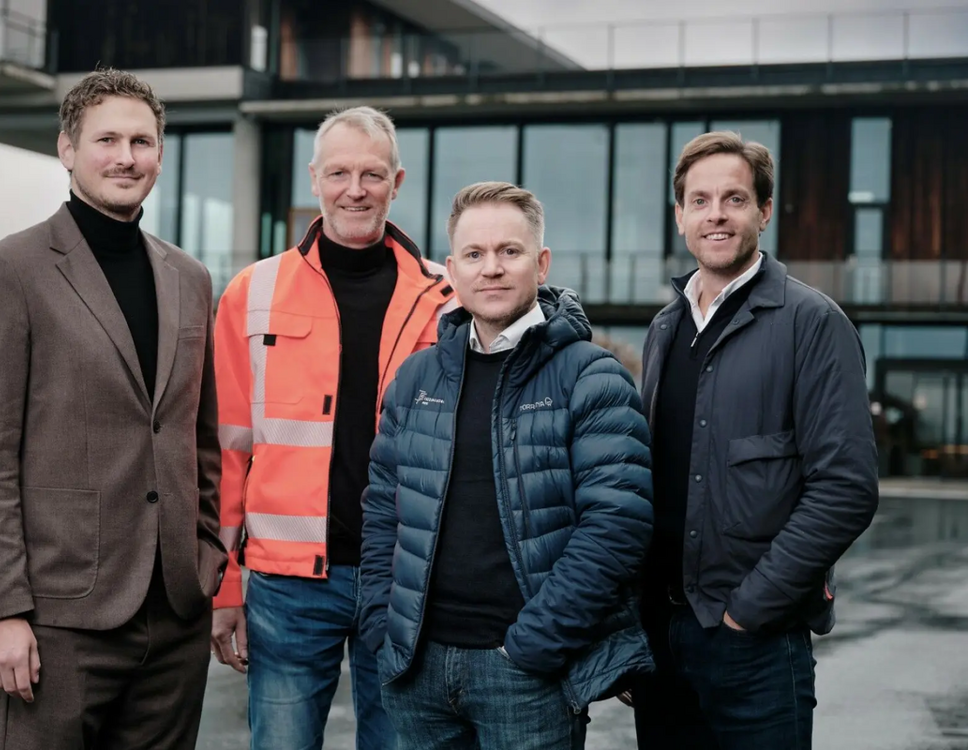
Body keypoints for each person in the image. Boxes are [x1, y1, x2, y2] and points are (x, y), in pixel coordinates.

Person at [0, 68, 225, 749]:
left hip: (174, 614)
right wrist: (0, 611)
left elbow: (199, 434)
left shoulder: (189, 277)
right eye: (106, 140)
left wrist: (206, 555)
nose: (126, 157)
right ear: (67, 150)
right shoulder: (11, 270)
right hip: (57, 621)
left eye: (142, 141)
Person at [360, 181, 656, 749]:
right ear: (452, 268)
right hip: (416, 671)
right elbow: (382, 510)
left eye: (509, 252)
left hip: (523, 673)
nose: (490, 269)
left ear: (541, 264)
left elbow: (617, 526)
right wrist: (380, 624)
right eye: (474, 254)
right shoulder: (417, 379)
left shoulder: (591, 376)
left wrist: (536, 645)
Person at [210, 105, 456, 749]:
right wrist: (224, 582)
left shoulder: (446, 298)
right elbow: (223, 453)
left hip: (406, 580)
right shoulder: (251, 292)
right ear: (314, 178)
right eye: (339, 173)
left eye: (372, 175)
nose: (355, 190)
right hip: (287, 586)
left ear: (396, 183)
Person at [632, 131, 879, 749]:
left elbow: (845, 489)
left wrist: (746, 611)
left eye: (735, 198)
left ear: (763, 212)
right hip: (661, 638)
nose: (716, 213)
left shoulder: (812, 324)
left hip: (755, 645)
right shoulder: (665, 328)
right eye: (700, 200)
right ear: (681, 217)